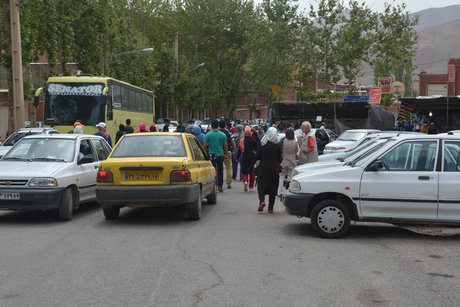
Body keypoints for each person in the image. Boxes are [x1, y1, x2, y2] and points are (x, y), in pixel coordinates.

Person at [255, 127, 282, 213]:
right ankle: (270, 208)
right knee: (273, 188)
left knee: (261, 186)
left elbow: (257, 156)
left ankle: (262, 201)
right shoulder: (278, 145)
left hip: (263, 169)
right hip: (274, 169)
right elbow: (280, 159)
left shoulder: (263, 144)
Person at [203, 119, 228, 192]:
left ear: (211, 125)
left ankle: (213, 185)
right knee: (220, 170)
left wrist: (202, 151)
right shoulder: (223, 135)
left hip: (212, 155)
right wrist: (226, 154)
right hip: (220, 154)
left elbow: (205, 145)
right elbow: (225, 145)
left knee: (212, 170)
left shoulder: (208, 134)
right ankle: (220, 185)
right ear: (218, 125)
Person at [278, 128, 298, 196]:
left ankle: (279, 192)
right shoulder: (295, 142)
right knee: (290, 177)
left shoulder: (283, 141)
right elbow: (296, 151)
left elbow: (281, 150)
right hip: (292, 162)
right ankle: (287, 192)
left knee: (282, 177)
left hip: (284, 161)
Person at [241, 126, 258, 192]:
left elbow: (241, 149)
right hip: (252, 157)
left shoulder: (243, 140)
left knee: (245, 171)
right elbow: (256, 148)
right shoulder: (253, 140)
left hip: (245, 156)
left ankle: (245, 181)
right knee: (252, 172)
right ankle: (251, 187)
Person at [219, 120, 235, 189]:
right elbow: (233, 142)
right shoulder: (229, 133)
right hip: (228, 151)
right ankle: (228, 183)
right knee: (228, 168)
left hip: (219, 152)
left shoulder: (218, 133)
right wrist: (234, 149)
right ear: (225, 125)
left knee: (218, 168)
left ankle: (218, 182)